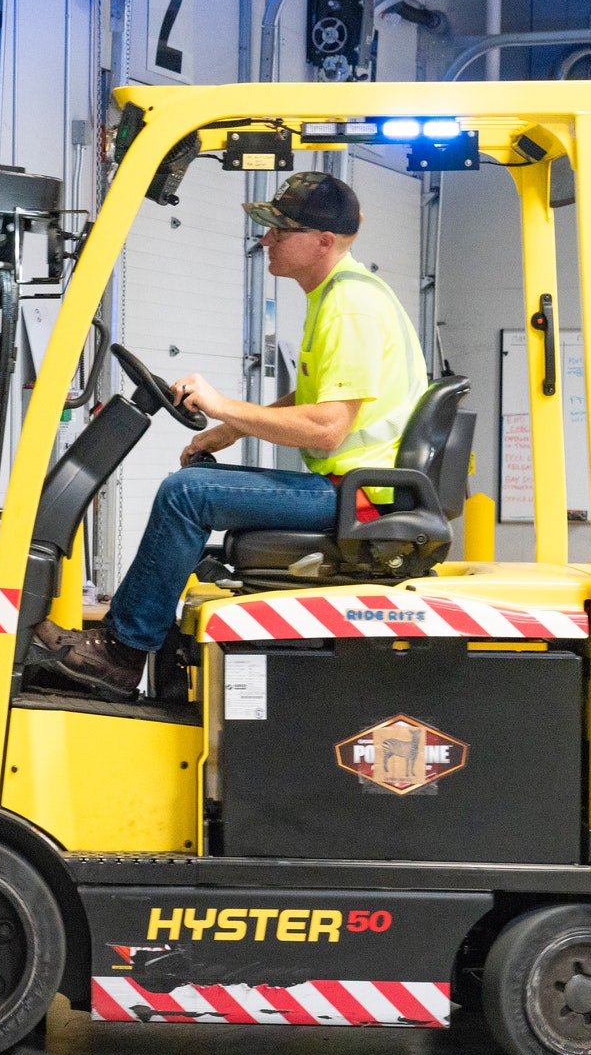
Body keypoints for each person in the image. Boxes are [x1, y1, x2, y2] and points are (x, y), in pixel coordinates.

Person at [38, 171, 428, 697]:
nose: (265, 239)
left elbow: (328, 426)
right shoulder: (339, 294)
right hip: (353, 488)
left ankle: (123, 653)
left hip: (359, 498)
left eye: (279, 230)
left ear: (323, 241)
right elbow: (319, 395)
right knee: (196, 483)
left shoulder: (349, 306)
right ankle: (133, 640)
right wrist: (226, 429)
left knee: (187, 494)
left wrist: (223, 403)